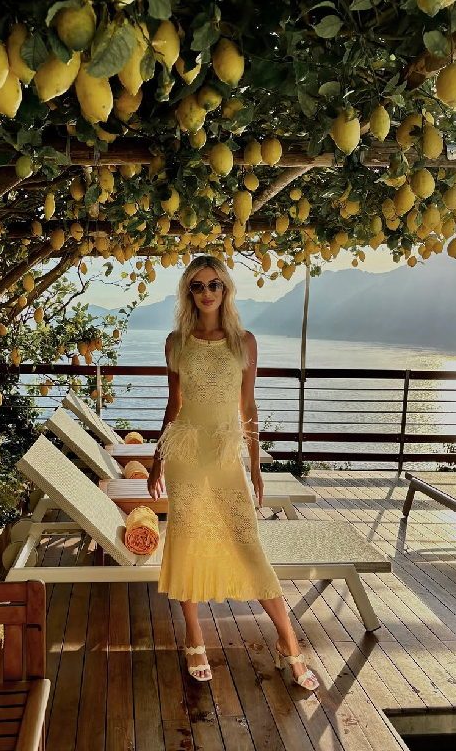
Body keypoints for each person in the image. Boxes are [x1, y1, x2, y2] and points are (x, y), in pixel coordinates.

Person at [147, 255, 318, 691]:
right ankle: (195, 638)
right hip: (186, 455)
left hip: (226, 457)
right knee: (187, 542)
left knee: (247, 544)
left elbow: (249, 406)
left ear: (226, 290)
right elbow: (173, 405)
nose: (207, 293)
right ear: (188, 293)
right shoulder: (175, 342)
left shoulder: (245, 342)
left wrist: (255, 467)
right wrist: (156, 460)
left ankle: (288, 642)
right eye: (198, 286)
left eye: (214, 285)